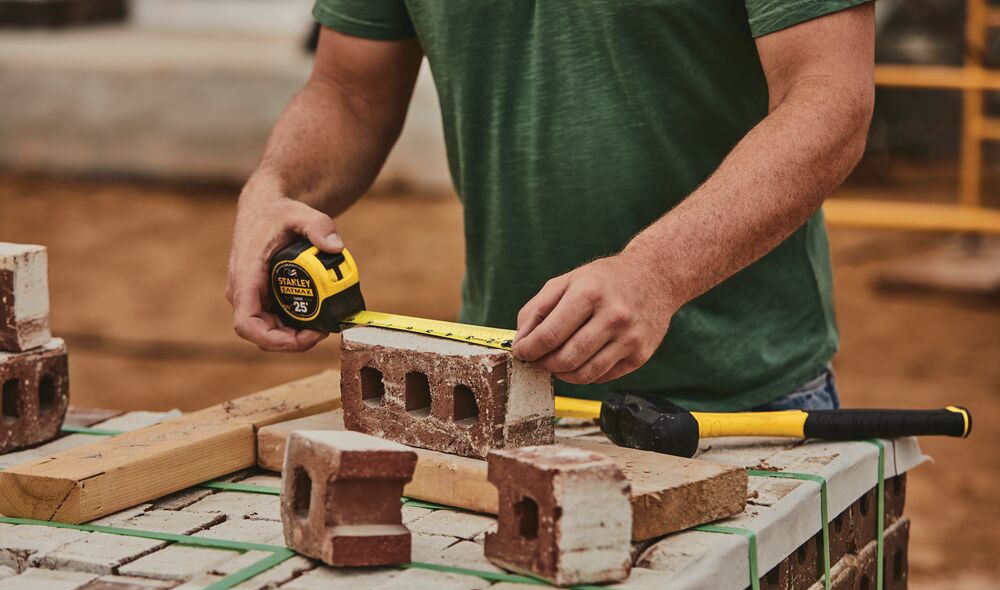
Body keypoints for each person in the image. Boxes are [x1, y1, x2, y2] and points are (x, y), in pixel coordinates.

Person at [227, 1, 875, 412]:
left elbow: (830, 103)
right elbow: (348, 91)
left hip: (739, 408)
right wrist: (273, 186)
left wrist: (656, 271)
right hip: (505, 390)